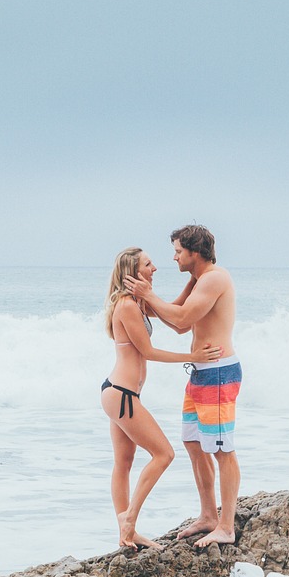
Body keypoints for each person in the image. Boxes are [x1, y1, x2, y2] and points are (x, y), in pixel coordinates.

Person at [124, 224, 240, 548]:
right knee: (193, 444)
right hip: (201, 373)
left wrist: (148, 296)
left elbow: (181, 318)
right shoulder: (198, 280)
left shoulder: (215, 278)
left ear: (194, 252)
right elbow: (176, 323)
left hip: (218, 372)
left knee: (222, 450)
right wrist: (139, 299)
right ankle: (208, 515)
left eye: (177, 251)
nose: (174, 257)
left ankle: (226, 527)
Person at [103, 246, 220, 550]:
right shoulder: (128, 306)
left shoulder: (140, 303)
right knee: (164, 454)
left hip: (119, 394)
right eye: (148, 264)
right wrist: (193, 356)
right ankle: (128, 523)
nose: (155, 268)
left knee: (124, 463)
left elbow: (177, 311)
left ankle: (125, 532)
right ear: (133, 273)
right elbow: (149, 352)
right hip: (123, 395)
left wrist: (195, 279)